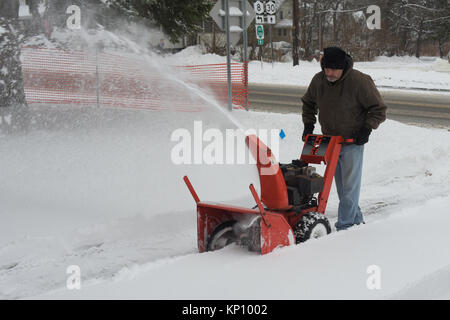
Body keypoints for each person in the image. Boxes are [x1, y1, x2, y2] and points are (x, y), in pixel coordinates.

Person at [301, 46, 387, 231]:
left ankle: (346, 227)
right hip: (328, 141)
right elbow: (308, 103)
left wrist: (366, 129)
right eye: (326, 68)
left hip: (351, 142)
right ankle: (356, 221)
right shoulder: (319, 80)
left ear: (343, 67)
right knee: (341, 188)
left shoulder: (359, 81)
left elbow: (378, 109)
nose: (329, 73)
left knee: (349, 188)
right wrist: (308, 125)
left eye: (334, 69)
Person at [0, 0, 40, 133]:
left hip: (8, 28)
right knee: (12, 77)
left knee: (11, 77)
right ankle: (18, 119)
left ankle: (17, 119)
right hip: (9, 29)